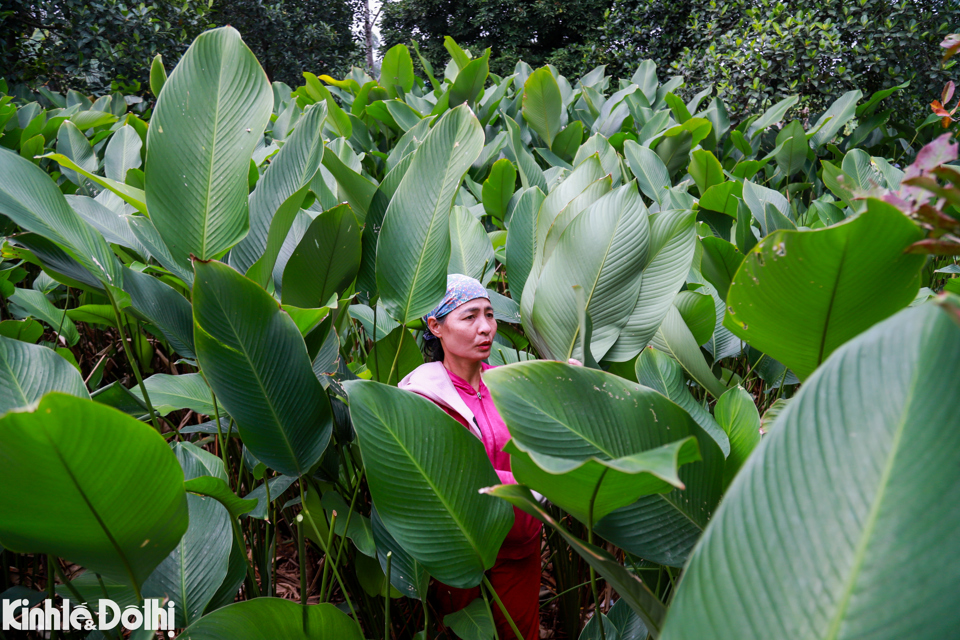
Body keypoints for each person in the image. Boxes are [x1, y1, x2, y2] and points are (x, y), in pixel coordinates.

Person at [397, 274, 542, 639]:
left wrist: (566, 390)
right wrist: (526, 485)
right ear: (436, 326)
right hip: (458, 552)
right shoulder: (422, 397)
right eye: (470, 316)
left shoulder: (511, 385)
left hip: (519, 548)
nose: (486, 328)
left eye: (490, 315)